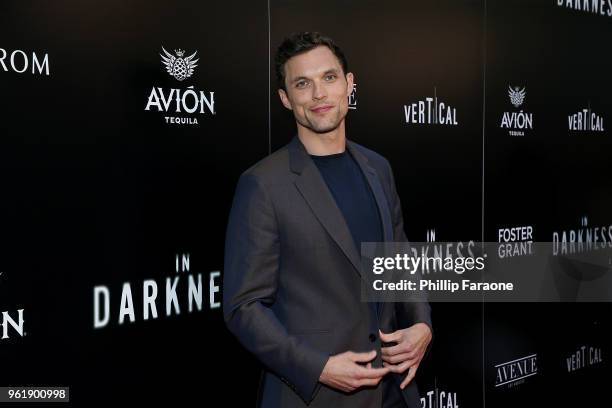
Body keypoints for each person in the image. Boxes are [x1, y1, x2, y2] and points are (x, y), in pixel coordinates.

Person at [223, 31, 432, 408]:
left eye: (329, 78)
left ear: (349, 85)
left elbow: (400, 259)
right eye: (303, 83)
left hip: (394, 392)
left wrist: (421, 323)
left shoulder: (378, 168)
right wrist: (317, 367)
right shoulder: (263, 185)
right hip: (316, 397)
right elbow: (243, 307)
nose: (319, 94)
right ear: (286, 99)